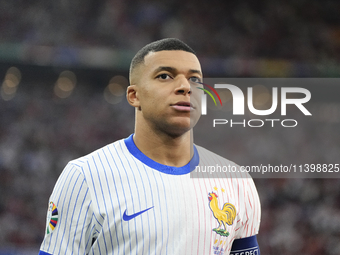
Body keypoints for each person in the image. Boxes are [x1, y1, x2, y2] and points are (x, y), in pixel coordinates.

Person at [38, 38, 261, 255]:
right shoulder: (85, 176)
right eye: (165, 76)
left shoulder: (236, 181)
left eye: (195, 79)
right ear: (134, 96)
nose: (185, 87)